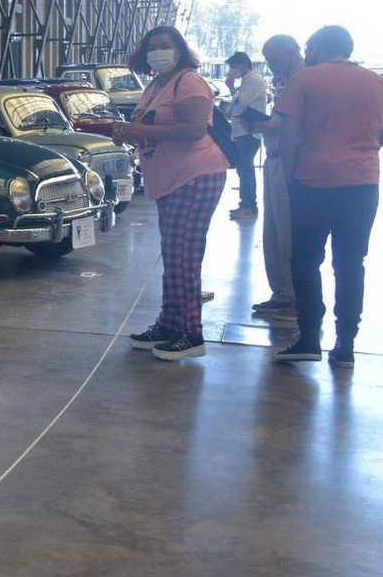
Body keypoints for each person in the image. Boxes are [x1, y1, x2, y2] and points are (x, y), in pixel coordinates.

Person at [114, 26, 230, 361]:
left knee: (184, 256)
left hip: (194, 175)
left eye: (166, 46)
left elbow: (194, 130)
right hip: (169, 178)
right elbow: (152, 128)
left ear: (180, 50)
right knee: (173, 253)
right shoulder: (155, 85)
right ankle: (168, 323)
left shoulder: (189, 82)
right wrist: (129, 132)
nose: (158, 52)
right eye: (153, 46)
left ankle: (191, 333)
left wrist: (141, 130)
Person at [270, 26, 383, 368]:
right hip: (362, 186)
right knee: (350, 263)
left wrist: (289, 176)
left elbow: (288, 135)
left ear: (317, 47)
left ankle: (308, 338)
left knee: (305, 261)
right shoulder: (375, 81)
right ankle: (345, 344)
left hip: (313, 182)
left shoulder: (305, 79)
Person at [246, 35, 304, 322]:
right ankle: (282, 293)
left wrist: (265, 124)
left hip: (290, 162)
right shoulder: (285, 80)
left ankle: (294, 298)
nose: (270, 64)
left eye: (273, 57)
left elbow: (294, 125)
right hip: (275, 158)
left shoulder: (303, 80)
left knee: (288, 232)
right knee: (274, 231)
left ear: (292, 50)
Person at [224, 51, 268, 220]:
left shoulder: (254, 80)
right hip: (242, 131)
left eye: (234, 67)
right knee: (244, 169)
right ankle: (246, 204)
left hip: (248, 132)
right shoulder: (247, 81)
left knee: (246, 169)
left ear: (243, 64)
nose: (232, 70)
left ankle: (248, 205)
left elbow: (241, 103)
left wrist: (231, 89)